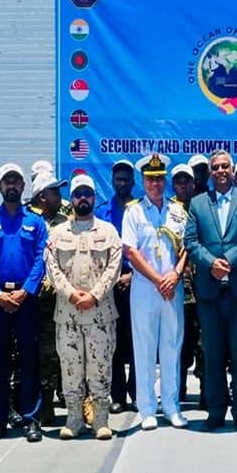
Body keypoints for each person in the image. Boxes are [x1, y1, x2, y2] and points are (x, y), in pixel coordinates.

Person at [184, 149, 237, 435]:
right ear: (210, 172)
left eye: (225, 166)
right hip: (209, 291)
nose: (220, 171)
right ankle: (216, 412)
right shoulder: (197, 203)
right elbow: (191, 241)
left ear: (232, 170)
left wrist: (228, 260)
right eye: (215, 167)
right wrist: (210, 264)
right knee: (214, 355)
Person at [45, 174, 125, 440]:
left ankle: (100, 420)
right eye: (78, 194)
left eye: (87, 194)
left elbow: (114, 268)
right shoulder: (57, 233)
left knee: (100, 368)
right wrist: (70, 294)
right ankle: (74, 419)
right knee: (70, 369)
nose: (82, 198)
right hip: (67, 315)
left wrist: (93, 295)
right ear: (73, 198)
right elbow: (52, 268)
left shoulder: (108, 231)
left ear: (93, 198)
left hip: (100, 314)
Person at [0, 163, 48, 443]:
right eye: (7, 182)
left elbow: (41, 258)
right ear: (1, 187)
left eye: (17, 181)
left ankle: (31, 419)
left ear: (23, 186)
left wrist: (26, 290)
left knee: (30, 361)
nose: (12, 186)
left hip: (26, 301)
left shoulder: (36, 221)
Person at [122, 154, 190, 430]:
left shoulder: (177, 211)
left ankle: (171, 406)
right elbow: (130, 251)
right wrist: (157, 278)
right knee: (145, 347)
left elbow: (187, 247)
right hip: (146, 288)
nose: (155, 184)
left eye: (160, 178)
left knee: (172, 346)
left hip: (172, 287)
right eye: (151, 179)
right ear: (143, 180)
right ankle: (147, 408)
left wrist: (174, 274)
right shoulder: (134, 211)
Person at [97, 159, 138, 414]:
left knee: (136, 341)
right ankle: (118, 395)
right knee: (112, 342)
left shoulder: (141, 209)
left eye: (126, 179)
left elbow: (147, 249)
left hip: (137, 281)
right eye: (118, 180)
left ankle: (137, 393)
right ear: (112, 182)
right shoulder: (102, 211)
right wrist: (113, 278)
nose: (121, 184)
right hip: (109, 283)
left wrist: (132, 276)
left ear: (133, 182)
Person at [30, 170, 69, 426]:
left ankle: (70, 398)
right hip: (38, 300)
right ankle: (44, 406)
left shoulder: (68, 221)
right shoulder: (31, 222)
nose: (59, 196)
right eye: (54, 192)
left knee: (66, 351)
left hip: (64, 297)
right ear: (43, 196)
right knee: (44, 353)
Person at [171, 163, 206, 408]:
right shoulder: (167, 210)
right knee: (178, 343)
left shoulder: (203, 207)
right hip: (177, 288)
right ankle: (177, 391)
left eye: (187, 181)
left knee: (204, 344)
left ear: (194, 183)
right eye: (179, 181)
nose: (183, 185)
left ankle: (207, 393)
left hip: (202, 287)